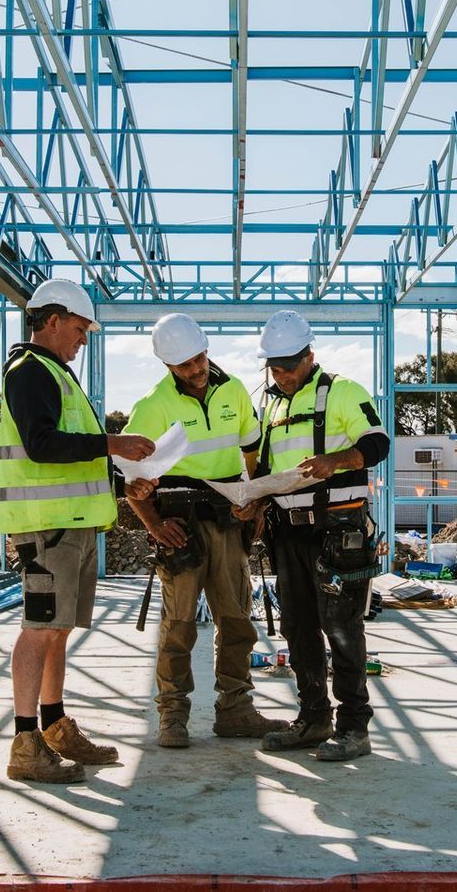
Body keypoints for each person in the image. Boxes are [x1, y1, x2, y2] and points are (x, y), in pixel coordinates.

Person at [0, 278, 156, 785]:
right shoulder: (30, 371)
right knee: (40, 629)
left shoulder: (55, 374)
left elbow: (71, 452)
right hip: (47, 528)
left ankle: (54, 723)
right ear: (54, 320)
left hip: (72, 525)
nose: (84, 339)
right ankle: (25, 742)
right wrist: (113, 444)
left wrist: (122, 473)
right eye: (81, 329)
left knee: (57, 630)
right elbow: (41, 445)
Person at [122, 313, 286, 748]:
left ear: (206, 350)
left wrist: (256, 499)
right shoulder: (153, 406)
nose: (194, 370)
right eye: (183, 366)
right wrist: (155, 524)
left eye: (197, 359)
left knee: (236, 619)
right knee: (178, 625)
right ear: (167, 367)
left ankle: (235, 709)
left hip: (228, 519)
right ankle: (172, 715)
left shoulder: (232, 390)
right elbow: (130, 479)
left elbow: (252, 453)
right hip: (180, 526)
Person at [250, 309, 389, 762]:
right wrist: (252, 497)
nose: (282, 375)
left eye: (289, 365)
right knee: (297, 629)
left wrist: (337, 460)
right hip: (288, 534)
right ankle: (313, 718)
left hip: (337, 533)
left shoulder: (344, 392)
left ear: (310, 355)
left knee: (341, 628)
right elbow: (268, 467)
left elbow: (378, 444)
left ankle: (353, 727)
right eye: (274, 367)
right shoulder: (271, 404)